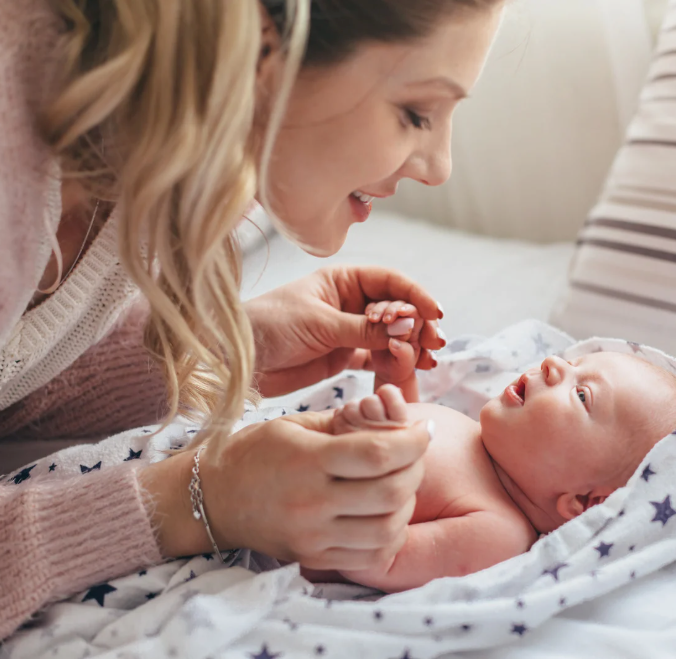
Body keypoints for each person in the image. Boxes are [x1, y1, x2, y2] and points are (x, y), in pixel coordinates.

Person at [0, 0, 505, 639]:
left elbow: (14, 372)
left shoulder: (143, 150)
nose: (439, 168)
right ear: (265, 48)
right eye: (416, 113)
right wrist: (197, 502)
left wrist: (226, 345)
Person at [303, 303, 676, 592]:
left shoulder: (500, 532)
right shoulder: (472, 435)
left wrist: (364, 475)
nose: (554, 365)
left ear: (583, 502)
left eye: (582, 394)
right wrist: (394, 379)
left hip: (279, 515)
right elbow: (407, 427)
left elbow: (383, 559)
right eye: (574, 365)